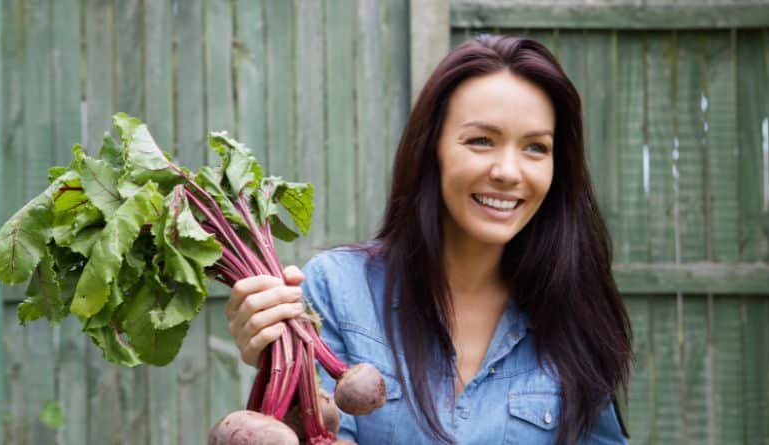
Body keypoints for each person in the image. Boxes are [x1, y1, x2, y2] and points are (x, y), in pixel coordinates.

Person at [225, 34, 633, 444]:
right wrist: (278, 365)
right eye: (481, 141)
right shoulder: (336, 289)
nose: (509, 172)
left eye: (535, 147)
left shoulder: (573, 314)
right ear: (431, 148)